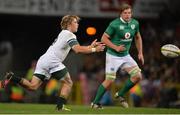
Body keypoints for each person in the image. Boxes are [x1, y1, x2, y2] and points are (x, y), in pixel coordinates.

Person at [0, 15, 105, 111]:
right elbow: (77, 50)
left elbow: (78, 48)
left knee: (33, 86)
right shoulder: (70, 35)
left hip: (43, 60)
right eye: (75, 22)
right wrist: (94, 50)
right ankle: (60, 107)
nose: (77, 24)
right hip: (53, 61)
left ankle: (12, 77)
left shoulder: (63, 34)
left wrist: (90, 47)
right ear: (69, 24)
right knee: (68, 82)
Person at [91, 3, 144, 108]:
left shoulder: (135, 23)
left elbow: (138, 37)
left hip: (125, 55)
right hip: (113, 56)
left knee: (137, 76)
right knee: (109, 80)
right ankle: (95, 103)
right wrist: (116, 47)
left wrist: (140, 52)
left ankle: (120, 94)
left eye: (129, 13)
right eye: (125, 13)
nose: (128, 15)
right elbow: (103, 39)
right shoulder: (114, 24)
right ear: (121, 13)